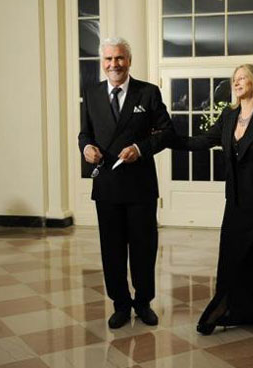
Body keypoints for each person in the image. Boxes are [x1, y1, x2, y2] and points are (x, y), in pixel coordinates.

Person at [170, 64, 253, 334]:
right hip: (236, 201)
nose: (237, 83)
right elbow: (204, 140)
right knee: (231, 258)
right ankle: (223, 306)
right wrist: (167, 140)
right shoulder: (229, 115)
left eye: (243, 78)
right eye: (235, 79)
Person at [78, 37, 174, 329]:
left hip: (140, 186)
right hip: (106, 187)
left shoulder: (148, 92)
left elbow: (166, 132)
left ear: (129, 61)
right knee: (112, 250)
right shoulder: (92, 93)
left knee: (144, 248)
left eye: (119, 58)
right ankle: (120, 304)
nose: (113, 64)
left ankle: (143, 302)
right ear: (102, 63)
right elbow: (85, 134)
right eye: (108, 59)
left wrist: (141, 148)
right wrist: (85, 149)